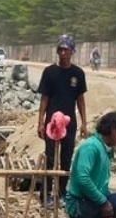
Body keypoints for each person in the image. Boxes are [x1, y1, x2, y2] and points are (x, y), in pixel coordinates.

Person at [37, 34, 88, 201]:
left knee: (66, 158)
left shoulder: (78, 74)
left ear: (72, 51)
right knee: (50, 158)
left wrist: (84, 123)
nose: (63, 52)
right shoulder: (49, 72)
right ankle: (46, 194)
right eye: (61, 49)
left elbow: (80, 99)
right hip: (52, 122)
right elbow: (44, 98)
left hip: (69, 123)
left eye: (66, 49)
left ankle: (62, 193)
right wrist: (40, 122)